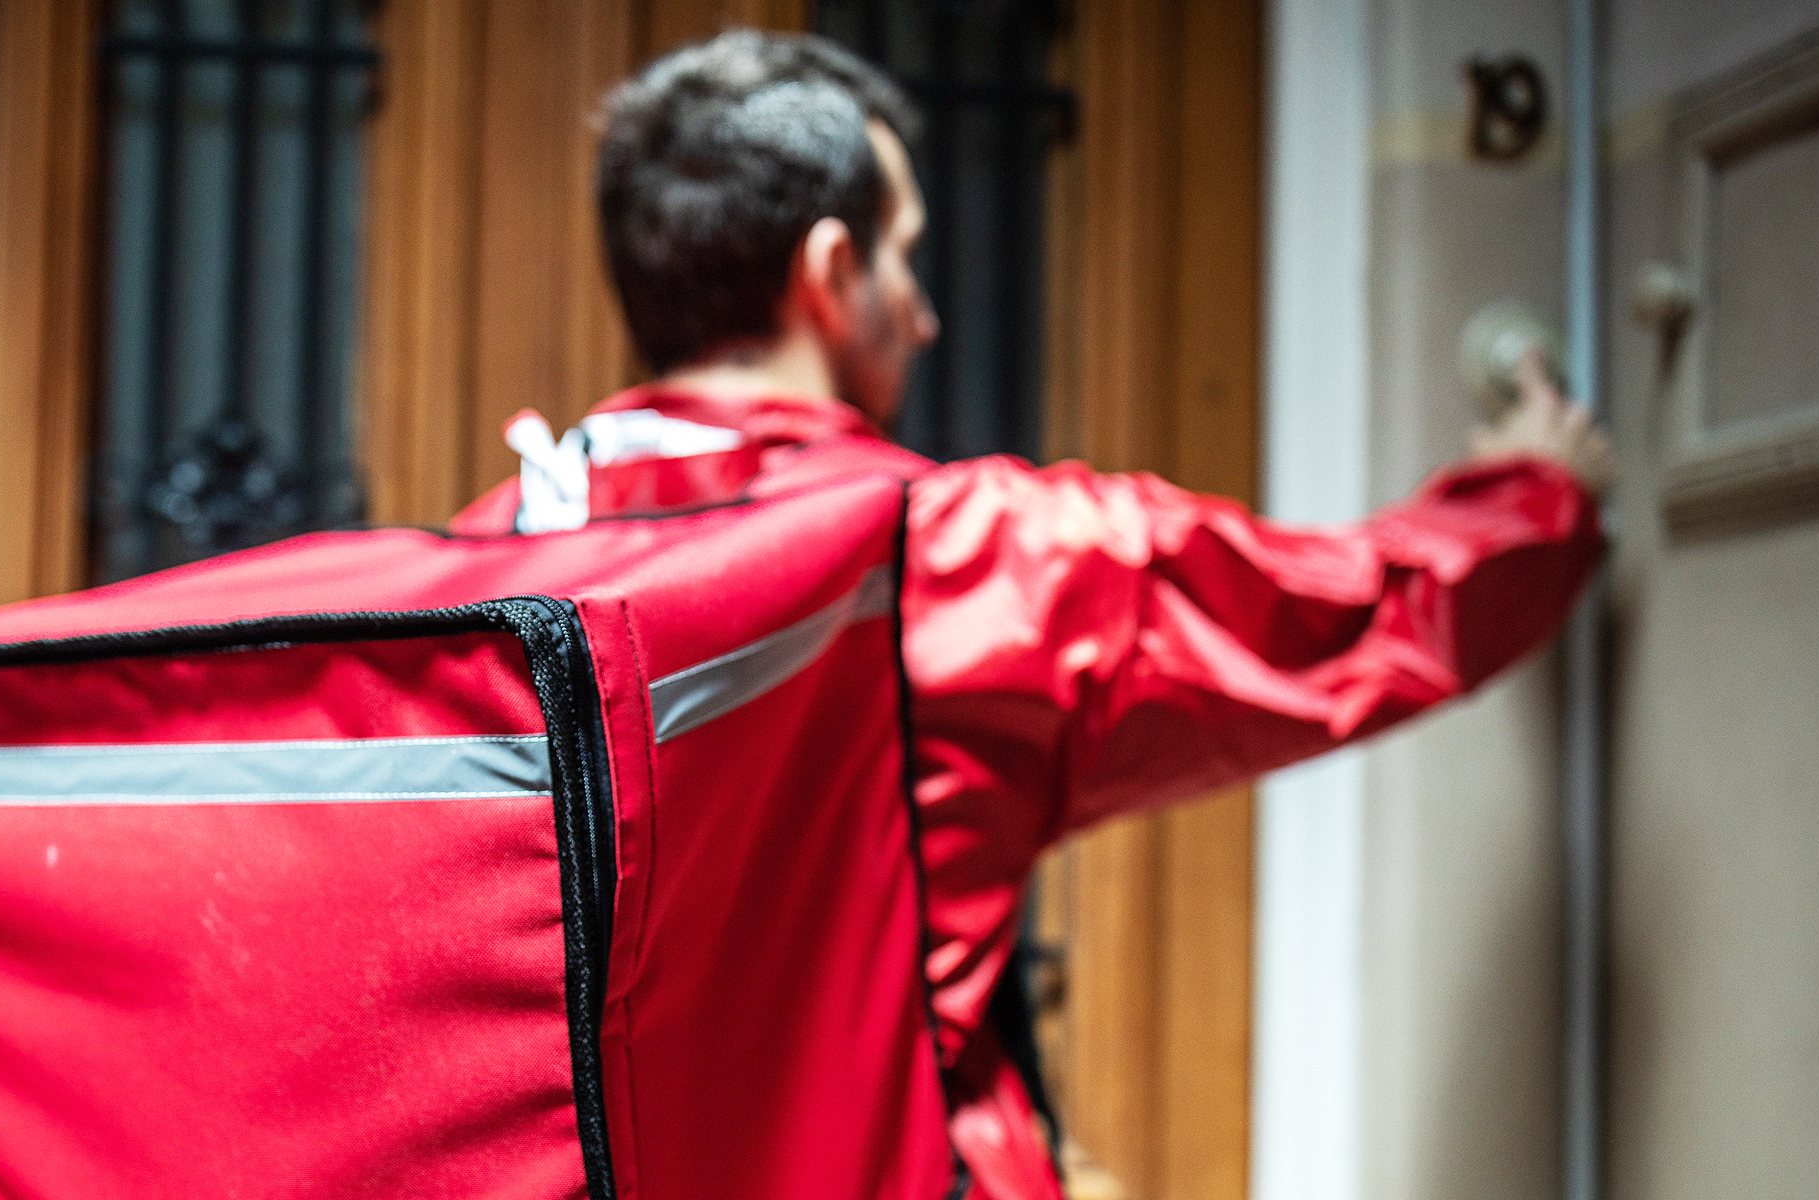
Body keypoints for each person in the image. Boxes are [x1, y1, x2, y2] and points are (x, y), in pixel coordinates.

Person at [447, 29, 1614, 1200]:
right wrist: (1536, 493)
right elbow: (1339, 619)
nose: (927, 314)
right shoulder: (964, 556)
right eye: (905, 257)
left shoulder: (482, 566)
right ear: (829, 270)